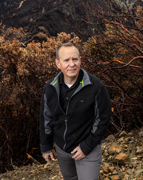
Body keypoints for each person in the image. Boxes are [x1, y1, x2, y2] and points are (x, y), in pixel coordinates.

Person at [40, 42, 111, 180]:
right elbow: (46, 118)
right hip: (62, 150)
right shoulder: (50, 88)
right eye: (66, 60)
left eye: (75, 59)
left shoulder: (96, 86)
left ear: (80, 60)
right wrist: (46, 146)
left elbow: (102, 119)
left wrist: (86, 146)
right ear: (58, 63)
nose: (71, 64)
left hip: (87, 148)